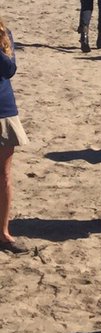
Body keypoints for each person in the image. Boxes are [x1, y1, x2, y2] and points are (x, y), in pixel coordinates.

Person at [0, 16, 30, 255]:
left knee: (4, 174)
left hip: (3, 110)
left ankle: (3, 232)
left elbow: (9, 70)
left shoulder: (4, 34)